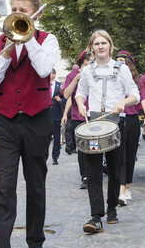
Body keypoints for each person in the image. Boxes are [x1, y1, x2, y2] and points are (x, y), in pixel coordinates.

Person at [0, 0, 58, 248]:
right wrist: (6, 51)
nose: (17, 13)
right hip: (5, 122)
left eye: (23, 10)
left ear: (35, 13)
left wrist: (28, 37)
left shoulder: (47, 40)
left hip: (37, 120)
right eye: (14, 8)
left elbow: (44, 69)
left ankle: (35, 242)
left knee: (35, 185)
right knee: (5, 188)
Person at [75, 31, 139, 234]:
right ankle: (96, 217)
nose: (100, 46)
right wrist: (81, 104)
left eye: (104, 43)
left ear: (110, 46)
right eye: (97, 44)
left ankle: (112, 208)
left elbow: (135, 94)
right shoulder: (87, 70)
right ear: (91, 47)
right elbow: (80, 93)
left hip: (116, 124)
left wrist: (123, 102)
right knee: (93, 171)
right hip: (94, 125)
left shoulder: (122, 69)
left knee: (114, 169)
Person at [115, 51, 145, 205]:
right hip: (117, 120)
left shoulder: (137, 81)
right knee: (120, 156)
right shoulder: (113, 78)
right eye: (116, 60)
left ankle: (127, 186)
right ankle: (121, 191)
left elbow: (143, 99)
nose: (118, 63)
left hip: (133, 120)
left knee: (130, 155)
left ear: (128, 63)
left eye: (122, 60)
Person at [61, 50, 93, 189]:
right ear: (84, 62)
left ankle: (94, 173)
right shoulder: (72, 76)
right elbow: (67, 95)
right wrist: (76, 79)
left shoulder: (96, 73)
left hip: (95, 116)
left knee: (94, 147)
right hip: (79, 117)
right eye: (90, 60)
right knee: (82, 148)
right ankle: (85, 176)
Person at [49, 69, 64, 165]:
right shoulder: (44, 85)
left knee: (56, 137)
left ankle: (55, 157)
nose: (51, 75)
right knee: (44, 137)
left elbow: (65, 98)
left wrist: (60, 100)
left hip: (56, 114)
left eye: (52, 73)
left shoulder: (60, 85)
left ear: (55, 74)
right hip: (45, 115)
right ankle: (43, 156)